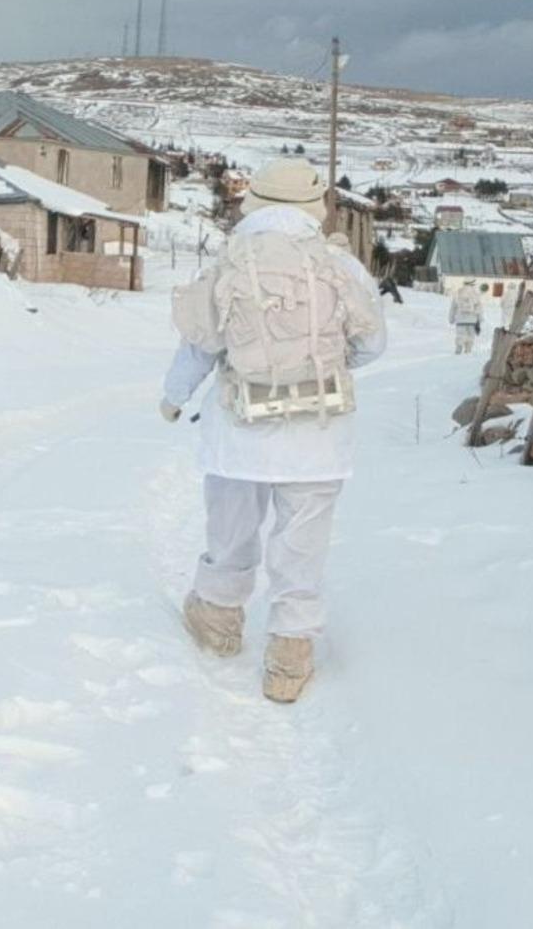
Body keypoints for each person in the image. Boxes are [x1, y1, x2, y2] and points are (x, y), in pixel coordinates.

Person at [160, 159, 385, 702]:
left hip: (239, 427)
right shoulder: (339, 264)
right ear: (315, 205)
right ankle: (289, 655)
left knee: (231, 528)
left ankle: (218, 618)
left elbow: (200, 345)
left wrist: (174, 397)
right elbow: (372, 343)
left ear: (253, 202)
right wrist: (325, 368)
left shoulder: (232, 260)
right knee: (301, 543)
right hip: (319, 433)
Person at [448, 279, 482, 354]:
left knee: (460, 335)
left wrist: (451, 319)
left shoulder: (458, 293)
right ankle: (468, 351)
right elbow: (479, 308)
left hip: (460, 320)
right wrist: (480, 319)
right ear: (473, 284)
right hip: (472, 320)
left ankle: (458, 349)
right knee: (470, 336)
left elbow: (453, 307)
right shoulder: (475, 294)